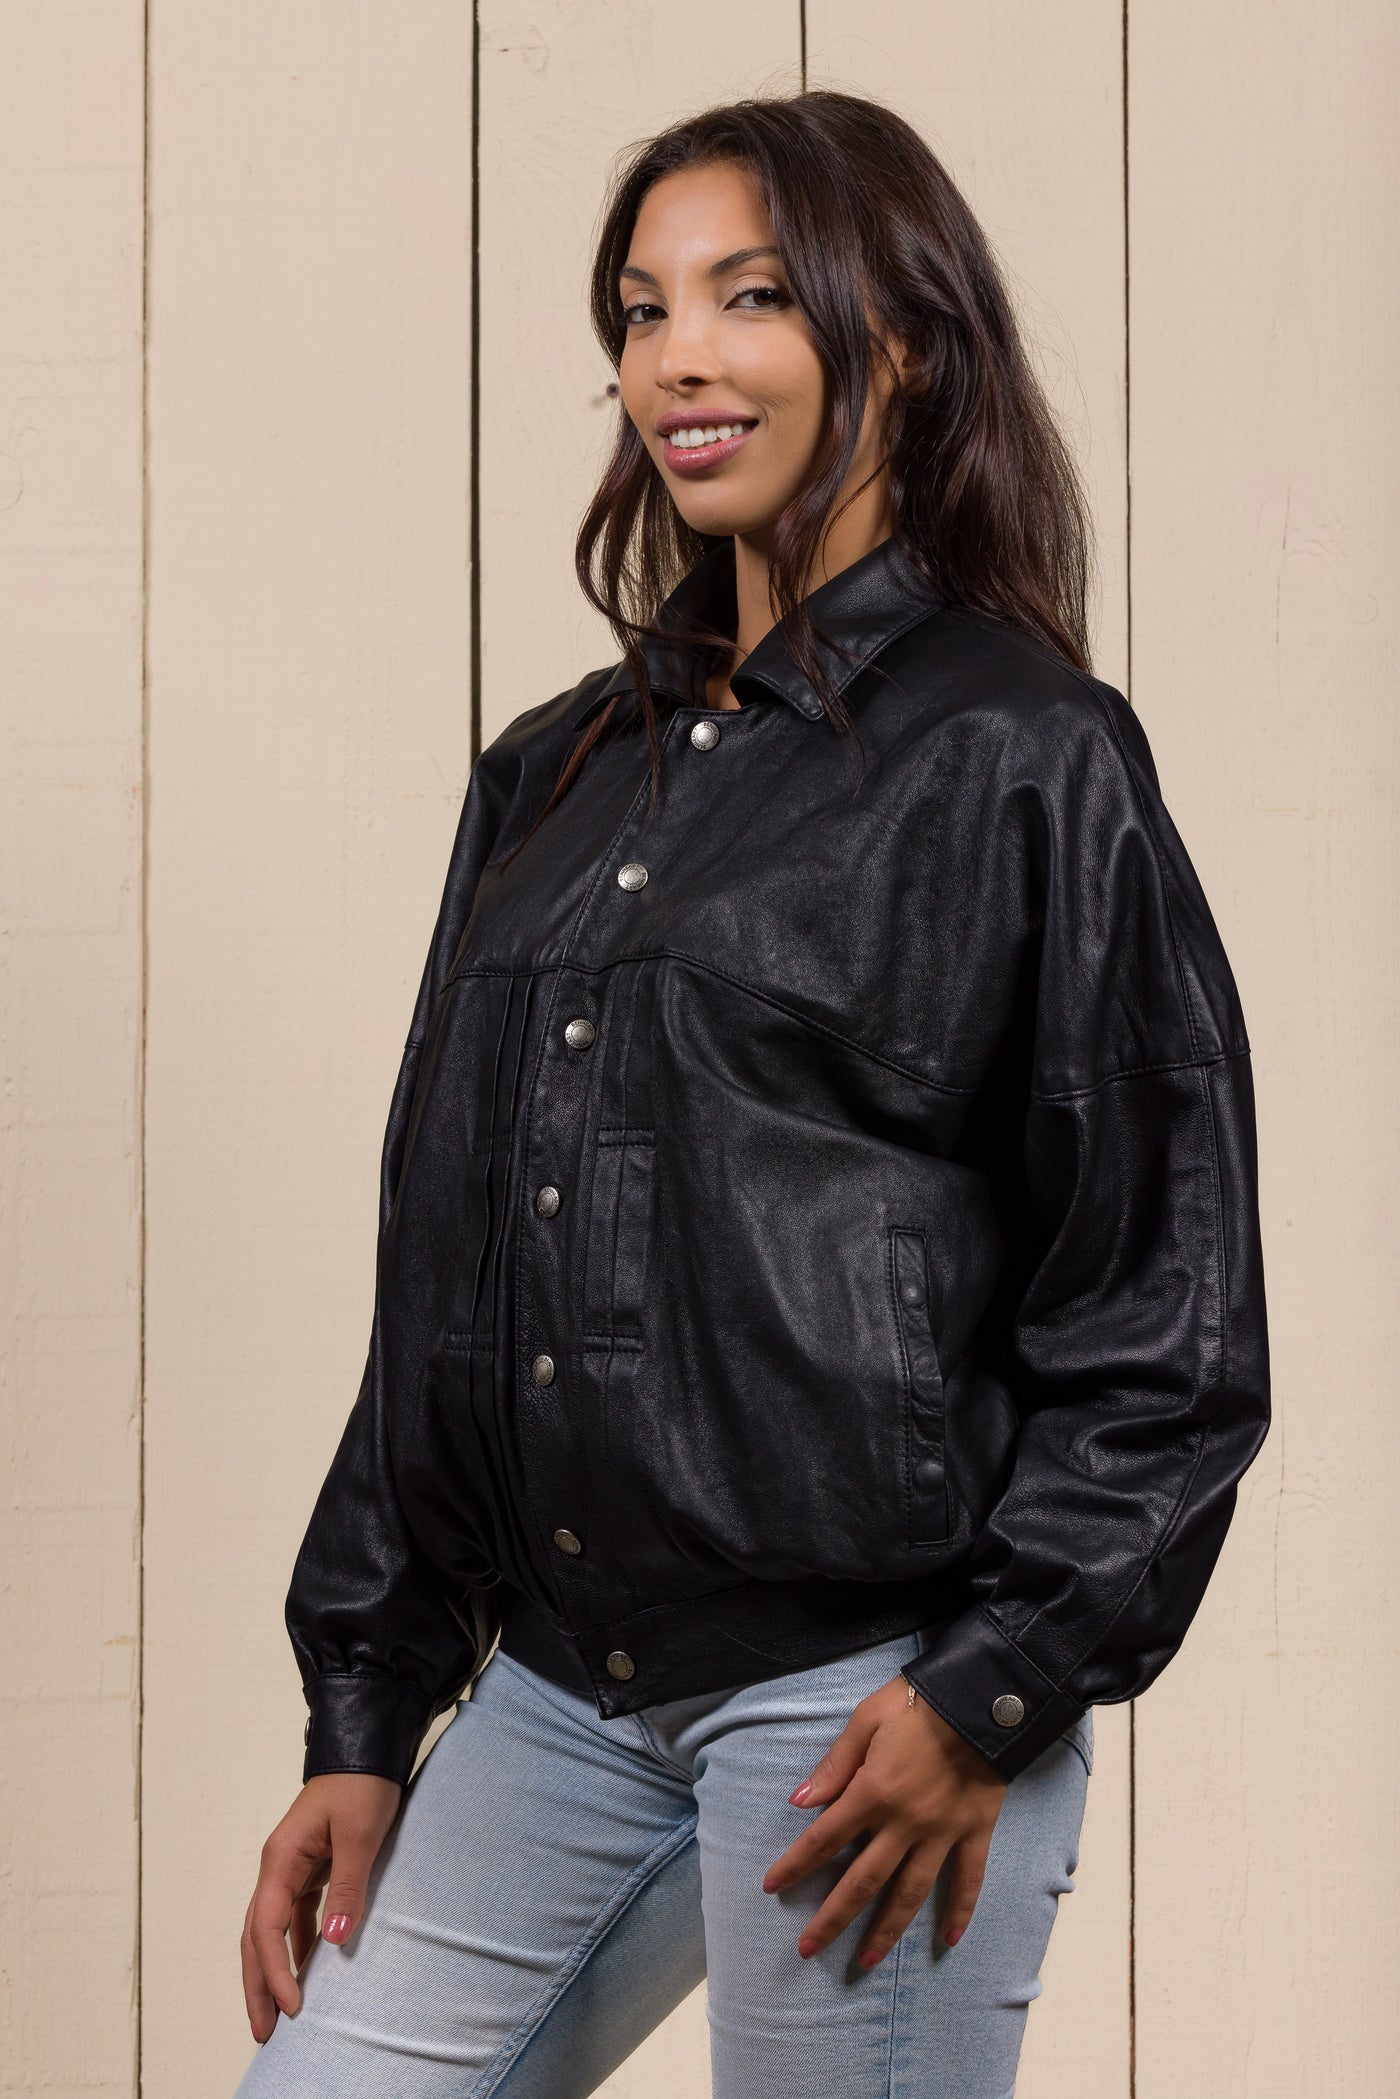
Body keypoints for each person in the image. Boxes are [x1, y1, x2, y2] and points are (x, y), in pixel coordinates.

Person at [233, 89, 1270, 2098]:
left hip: (868, 1698)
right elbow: (442, 1276)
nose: (677, 356)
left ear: (900, 336)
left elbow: (1165, 1297)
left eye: (751, 295)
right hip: (551, 1694)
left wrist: (992, 1687)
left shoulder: (1023, 754)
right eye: (640, 310)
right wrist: (363, 1710)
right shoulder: (548, 773)